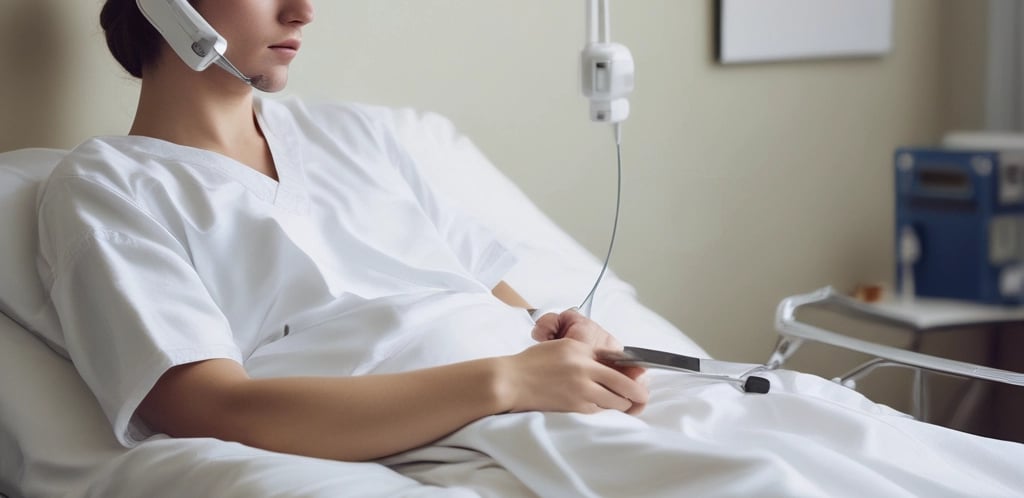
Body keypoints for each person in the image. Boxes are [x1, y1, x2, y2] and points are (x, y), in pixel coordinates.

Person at [35, 0, 1024, 496]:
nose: (303, 7)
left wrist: (551, 335)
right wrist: (507, 386)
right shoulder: (110, 187)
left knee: (864, 439)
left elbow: (477, 292)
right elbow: (207, 407)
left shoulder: (353, 139)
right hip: (472, 420)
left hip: (543, 386)